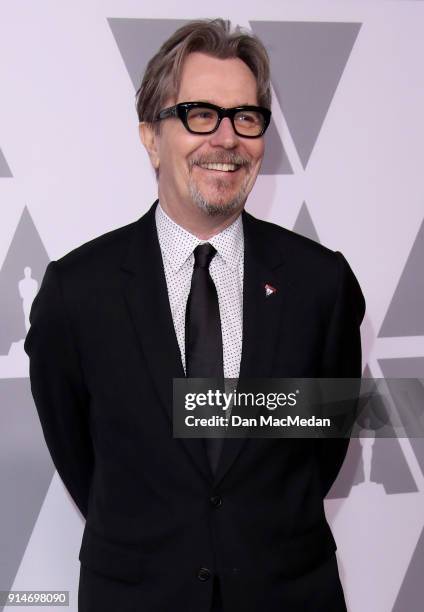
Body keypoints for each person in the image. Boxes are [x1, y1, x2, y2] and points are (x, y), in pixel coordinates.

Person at [24, 18, 365, 612]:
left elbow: (323, 446)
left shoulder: (321, 283)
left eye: (246, 117)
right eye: (199, 114)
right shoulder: (77, 292)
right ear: (151, 137)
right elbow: (80, 452)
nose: (227, 138)